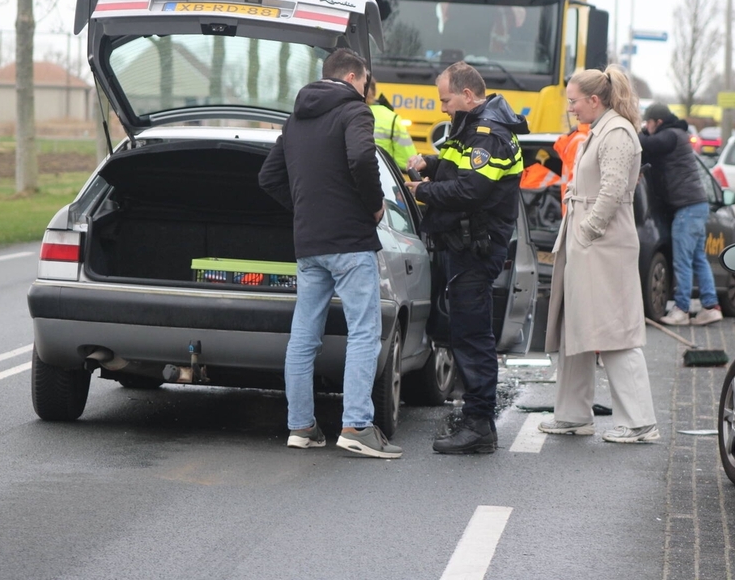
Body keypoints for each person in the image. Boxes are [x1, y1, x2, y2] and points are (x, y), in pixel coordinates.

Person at [258, 48, 401, 459]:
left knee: (304, 336)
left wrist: (306, 208)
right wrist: (373, 206)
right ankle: (356, 425)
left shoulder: (296, 118)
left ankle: (301, 426)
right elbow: (360, 157)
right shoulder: (355, 112)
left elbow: (268, 176)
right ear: (354, 77)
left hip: (309, 243)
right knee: (364, 331)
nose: (367, 92)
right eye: (366, 84)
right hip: (350, 241)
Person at [405, 61, 529, 454]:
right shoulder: (474, 127)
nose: (443, 108)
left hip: (476, 248)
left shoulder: (488, 133)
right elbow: (459, 169)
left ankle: (479, 426)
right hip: (466, 246)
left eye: (446, 100)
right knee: (464, 332)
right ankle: (476, 417)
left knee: (473, 337)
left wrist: (421, 190)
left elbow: (471, 190)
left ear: (468, 95)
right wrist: (433, 164)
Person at [538, 65, 659, 444]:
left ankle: (640, 422)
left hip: (603, 243)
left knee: (614, 332)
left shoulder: (617, 133)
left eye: (573, 100)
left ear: (594, 99)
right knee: (577, 325)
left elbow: (611, 191)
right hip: (590, 240)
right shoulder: (602, 129)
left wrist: (587, 230)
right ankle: (573, 415)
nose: (570, 107)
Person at [639, 103, 722, 327]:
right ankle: (710, 306)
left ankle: (682, 309)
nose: (646, 126)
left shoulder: (670, 135)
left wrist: (635, 130)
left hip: (686, 208)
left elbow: (645, 143)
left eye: (648, 122)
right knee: (697, 258)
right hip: (696, 205)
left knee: (683, 260)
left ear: (658, 122)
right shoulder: (679, 134)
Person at [367, 77, 417, 170]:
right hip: (381, 176)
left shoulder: (341, 112)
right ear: (374, 92)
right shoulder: (392, 118)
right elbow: (407, 160)